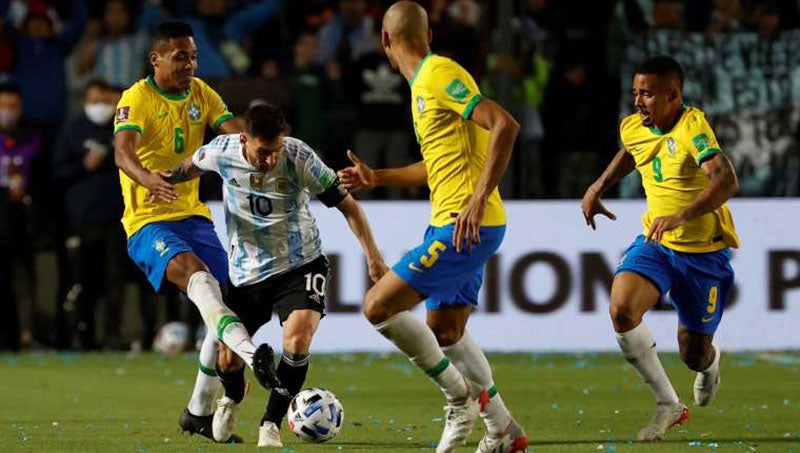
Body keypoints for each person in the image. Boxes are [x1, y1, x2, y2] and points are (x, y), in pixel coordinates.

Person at [337, 2, 528, 452]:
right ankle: (504, 429)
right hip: (458, 223)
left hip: (466, 226)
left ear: (384, 40)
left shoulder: (439, 74)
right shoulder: (427, 83)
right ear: (427, 35)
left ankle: (457, 399)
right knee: (444, 331)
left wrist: (478, 198)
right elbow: (435, 165)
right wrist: (378, 177)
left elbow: (504, 123)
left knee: (378, 307)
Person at [164, 102, 389, 446]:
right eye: (263, 152)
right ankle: (232, 398)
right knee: (227, 360)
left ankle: (271, 423)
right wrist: (160, 180)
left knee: (297, 339)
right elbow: (188, 167)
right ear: (244, 138)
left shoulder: (299, 157)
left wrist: (374, 258)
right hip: (247, 273)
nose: (270, 160)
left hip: (300, 264)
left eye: (276, 150)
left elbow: (350, 208)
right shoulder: (222, 152)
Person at [113, 20, 278, 443]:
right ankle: (249, 356)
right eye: (181, 56)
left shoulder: (201, 92)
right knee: (197, 276)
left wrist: (254, 148)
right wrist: (147, 178)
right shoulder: (137, 98)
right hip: (148, 222)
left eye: (193, 55)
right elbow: (122, 152)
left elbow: (231, 132)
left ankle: (197, 412)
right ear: (157, 58)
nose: (190, 63)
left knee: (232, 300)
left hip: (195, 216)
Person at [581, 55, 740, 441]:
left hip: (703, 254)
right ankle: (668, 404)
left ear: (673, 95)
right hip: (657, 243)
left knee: (693, 353)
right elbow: (631, 151)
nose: (638, 101)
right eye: (635, 92)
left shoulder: (692, 127)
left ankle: (710, 363)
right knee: (621, 310)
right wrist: (598, 186)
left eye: (647, 94)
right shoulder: (635, 126)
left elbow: (726, 180)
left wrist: (682, 215)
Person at [54, 79, 125, 350]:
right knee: (83, 282)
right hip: (82, 219)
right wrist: (83, 166)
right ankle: (82, 338)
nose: (101, 107)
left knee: (114, 281)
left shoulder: (120, 131)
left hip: (116, 218)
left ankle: (112, 338)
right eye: (95, 101)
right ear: (85, 101)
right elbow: (58, 173)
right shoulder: (72, 131)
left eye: (106, 101)